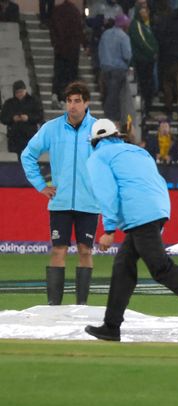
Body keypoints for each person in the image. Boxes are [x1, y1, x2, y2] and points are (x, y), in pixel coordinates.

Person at [83, 119, 178, 342]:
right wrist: (158, 216)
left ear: (94, 142)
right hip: (157, 209)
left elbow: (107, 192)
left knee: (161, 268)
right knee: (123, 266)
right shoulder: (137, 152)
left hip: (139, 214)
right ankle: (111, 326)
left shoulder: (98, 157)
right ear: (117, 135)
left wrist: (109, 228)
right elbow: (155, 181)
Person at [20, 82, 99, 306]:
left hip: (89, 202)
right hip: (60, 201)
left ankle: (81, 306)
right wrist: (40, 185)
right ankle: (54, 307)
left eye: (77, 101)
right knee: (58, 250)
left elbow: (111, 161)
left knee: (85, 251)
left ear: (86, 103)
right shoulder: (51, 128)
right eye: (69, 101)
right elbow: (28, 155)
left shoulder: (97, 129)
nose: (72, 106)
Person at [50, 0, 85, 108]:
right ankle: (66, 98)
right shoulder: (75, 12)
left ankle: (56, 95)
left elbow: (52, 28)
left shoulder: (57, 11)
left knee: (59, 73)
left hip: (60, 48)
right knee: (70, 76)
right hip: (72, 50)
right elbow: (79, 30)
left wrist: (55, 43)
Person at [99, 15, 132, 123]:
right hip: (118, 69)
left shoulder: (105, 34)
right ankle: (112, 119)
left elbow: (100, 51)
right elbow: (127, 55)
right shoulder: (123, 37)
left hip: (105, 68)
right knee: (114, 96)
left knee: (109, 93)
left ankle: (111, 117)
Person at [128, 5, 159, 118]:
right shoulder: (136, 25)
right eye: (144, 10)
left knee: (149, 86)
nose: (146, 13)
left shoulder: (146, 25)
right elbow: (142, 41)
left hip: (149, 61)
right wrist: (152, 51)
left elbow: (153, 41)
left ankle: (147, 108)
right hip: (142, 60)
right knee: (144, 85)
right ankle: (144, 109)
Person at [0, 80, 43, 161]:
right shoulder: (9, 103)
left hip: (29, 135)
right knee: (16, 160)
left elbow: (40, 116)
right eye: (17, 92)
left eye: (21, 91)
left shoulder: (33, 101)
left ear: (25, 90)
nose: (20, 94)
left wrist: (28, 118)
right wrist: (13, 119)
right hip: (15, 136)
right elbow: (3, 118)